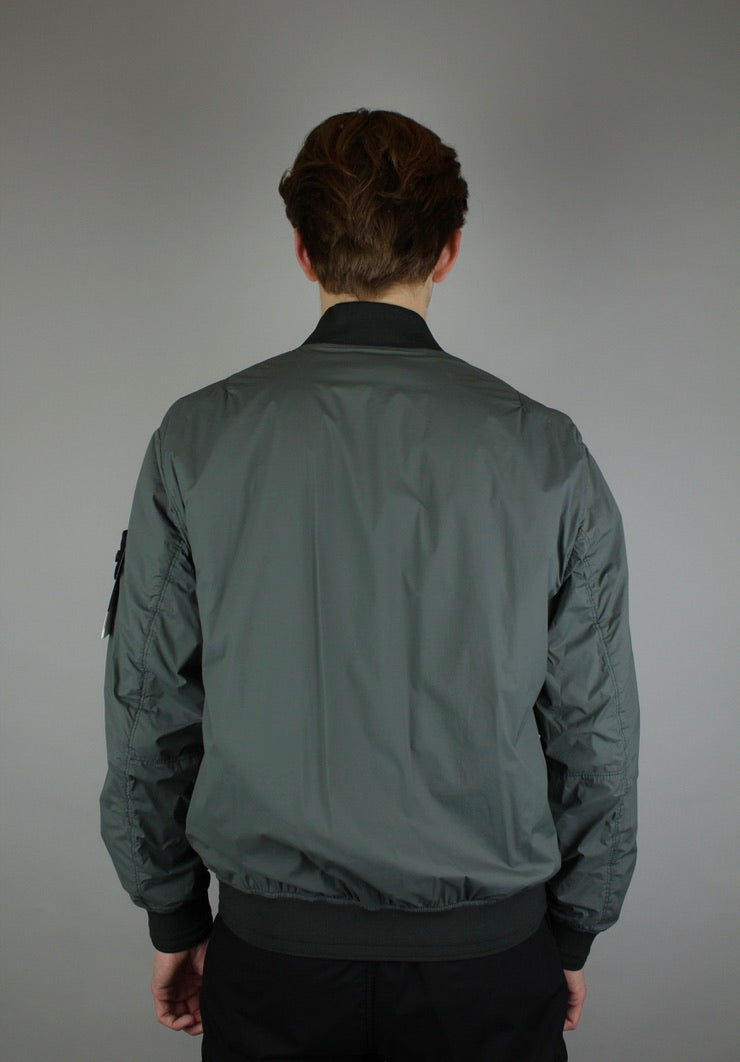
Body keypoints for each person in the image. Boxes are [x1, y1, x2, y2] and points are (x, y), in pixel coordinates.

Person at [99, 108, 640, 1062]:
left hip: (275, 963)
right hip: (490, 963)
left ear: (303, 251)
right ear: (450, 250)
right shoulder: (545, 450)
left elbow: (150, 704)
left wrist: (173, 914)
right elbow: (593, 725)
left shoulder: (197, 438)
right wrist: (573, 930)